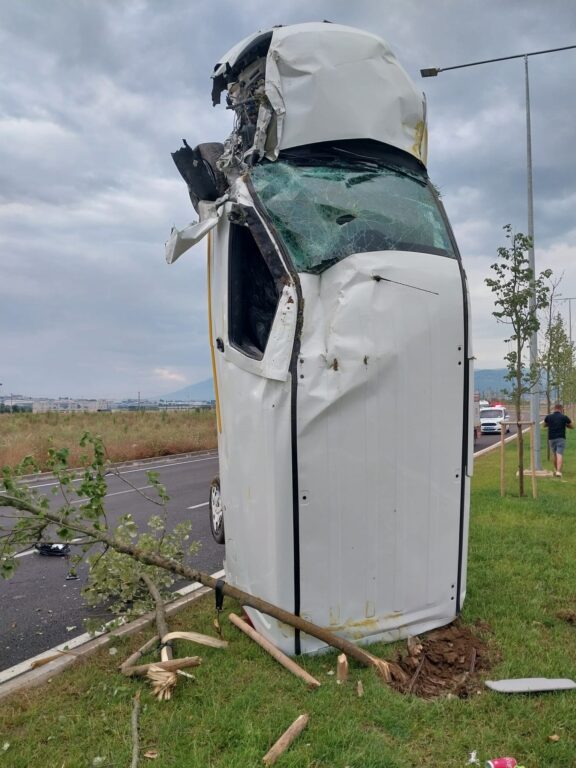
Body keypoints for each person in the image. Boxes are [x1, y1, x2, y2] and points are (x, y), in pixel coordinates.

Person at [544, 403, 573, 477]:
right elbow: (572, 426)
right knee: (559, 454)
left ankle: (556, 469)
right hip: (561, 438)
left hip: (551, 438)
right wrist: (566, 425)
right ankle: (558, 471)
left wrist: (549, 424)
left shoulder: (549, 417)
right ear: (561, 409)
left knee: (554, 454)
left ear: (554, 409)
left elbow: (544, 425)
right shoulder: (564, 417)